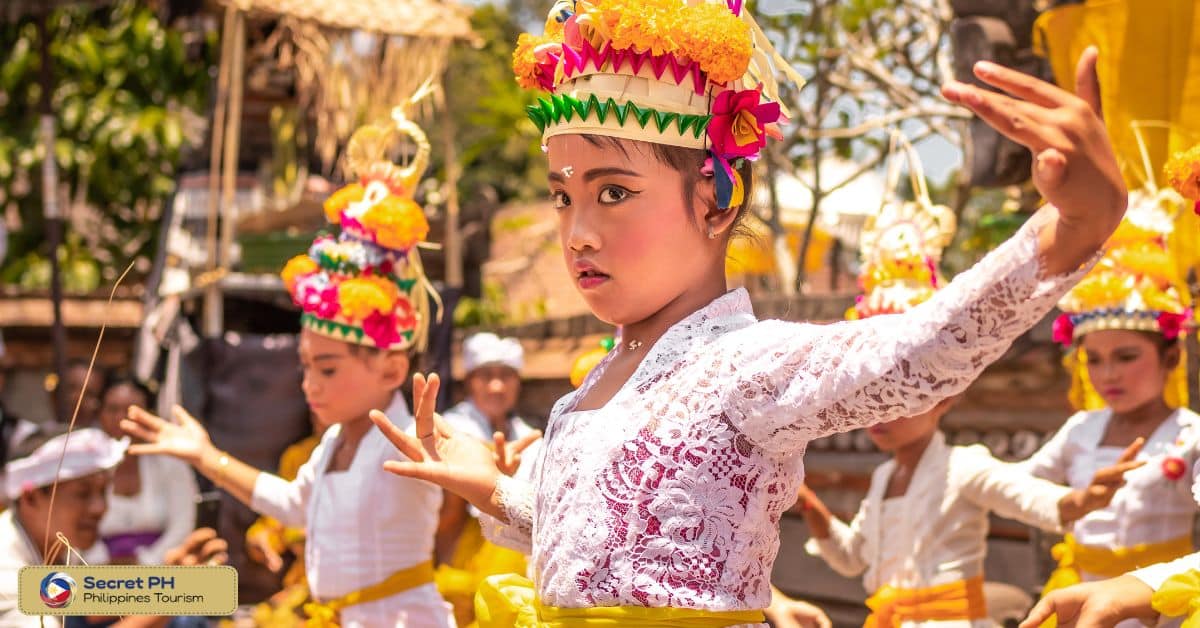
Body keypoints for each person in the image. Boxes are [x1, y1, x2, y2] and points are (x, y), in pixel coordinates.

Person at [368, 0, 1129, 620]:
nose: (578, 233)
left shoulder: (742, 365)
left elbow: (916, 352)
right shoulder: (585, 394)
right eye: (562, 198)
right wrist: (490, 489)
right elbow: (612, 553)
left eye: (613, 192)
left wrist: (1070, 232)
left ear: (715, 198)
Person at [121, 114, 456, 627]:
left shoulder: (411, 439)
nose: (309, 385)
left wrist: (498, 474)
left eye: (326, 369)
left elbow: (465, 468)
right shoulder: (332, 445)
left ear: (391, 370)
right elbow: (293, 504)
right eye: (305, 368)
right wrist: (207, 456)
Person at [778, 187, 1139, 627]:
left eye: (899, 398)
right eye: (874, 398)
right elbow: (853, 560)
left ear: (943, 397)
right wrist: (808, 503)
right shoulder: (884, 477)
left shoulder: (964, 468)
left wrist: (1084, 499)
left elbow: (1034, 500)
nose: (881, 411)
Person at [1017, 192, 1200, 626]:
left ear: (1170, 359)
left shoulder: (1191, 434)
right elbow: (1015, 488)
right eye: (1093, 359)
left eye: (1125, 356)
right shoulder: (1081, 427)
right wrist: (1077, 499)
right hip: (1076, 600)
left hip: (1156, 607)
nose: (1108, 375)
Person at [0, 425, 227, 628]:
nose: (99, 507)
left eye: (103, 491)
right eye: (83, 494)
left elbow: (90, 603)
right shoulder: (7, 571)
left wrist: (172, 582)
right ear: (30, 498)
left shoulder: (60, 546)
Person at [436, 333, 541, 626]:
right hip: (463, 548)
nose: (497, 386)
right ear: (470, 381)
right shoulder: (449, 430)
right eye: (487, 376)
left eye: (506, 376)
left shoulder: (531, 437)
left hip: (519, 556)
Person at [81, 376, 198, 565]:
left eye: (130, 412)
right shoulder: (83, 467)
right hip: (93, 575)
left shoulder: (172, 463)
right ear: (99, 414)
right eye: (112, 410)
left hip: (162, 574)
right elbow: (73, 524)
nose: (121, 419)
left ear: (148, 416)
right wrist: (102, 564)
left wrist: (146, 563)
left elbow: (182, 525)